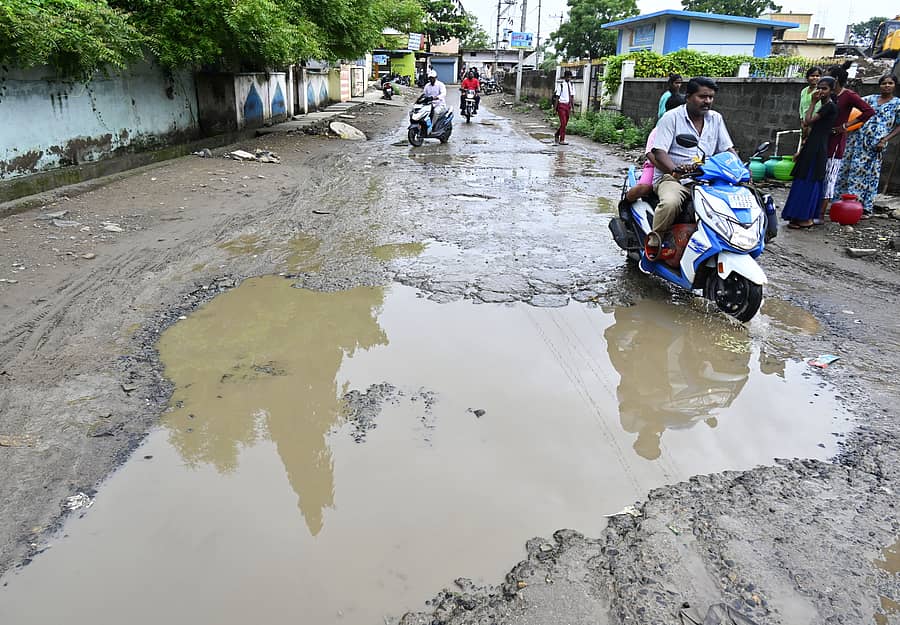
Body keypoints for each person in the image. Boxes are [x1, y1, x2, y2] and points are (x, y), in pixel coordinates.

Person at [646, 77, 735, 260]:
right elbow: (659, 151)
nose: (707, 101)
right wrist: (675, 170)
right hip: (672, 178)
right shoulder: (671, 118)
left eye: (710, 97)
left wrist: (740, 168)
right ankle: (655, 241)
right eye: (702, 97)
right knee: (670, 203)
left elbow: (727, 149)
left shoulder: (716, 119)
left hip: (706, 178)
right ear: (688, 97)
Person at [835, 73, 900, 217]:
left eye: (890, 83)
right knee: (846, 169)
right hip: (856, 138)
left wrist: (885, 140)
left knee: (866, 174)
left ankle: (859, 207)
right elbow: (851, 108)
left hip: (875, 143)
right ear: (879, 85)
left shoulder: (897, 104)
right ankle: (840, 203)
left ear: (895, 86)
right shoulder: (869, 99)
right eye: (884, 83)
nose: (887, 86)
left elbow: (898, 125)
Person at [820, 61, 875, 222]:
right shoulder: (830, 96)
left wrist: (845, 126)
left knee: (829, 178)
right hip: (823, 139)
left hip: (835, 142)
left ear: (835, 79)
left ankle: (821, 214)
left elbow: (868, 111)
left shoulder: (848, 95)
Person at [781, 77, 839, 229]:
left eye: (824, 88)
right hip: (812, 146)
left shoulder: (829, 107)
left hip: (817, 148)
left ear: (832, 90)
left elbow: (807, 121)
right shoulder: (824, 106)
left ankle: (803, 217)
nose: (820, 91)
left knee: (809, 180)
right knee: (803, 180)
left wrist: (812, 103)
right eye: (819, 88)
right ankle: (798, 217)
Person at [625, 94, 685, 203]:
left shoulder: (689, 131)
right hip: (655, 167)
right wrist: (669, 169)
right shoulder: (659, 130)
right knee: (645, 188)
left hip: (681, 171)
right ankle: (625, 203)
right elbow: (649, 153)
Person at [553, 70, 575, 145]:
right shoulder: (561, 85)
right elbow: (557, 97)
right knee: (563, 122)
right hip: (561, 105)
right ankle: (562, 139)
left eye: (570, 77)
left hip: (568, 106)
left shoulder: (571, 85)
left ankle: (557, 134)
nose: (569, 78)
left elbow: (572, 97)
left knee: (565, 124)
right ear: (565, 77)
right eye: (568, 77)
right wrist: (554, 109)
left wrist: (573, 108)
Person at [799, 66, 822, 137]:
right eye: (812, 76)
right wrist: (802, 121)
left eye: (817, 76)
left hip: (814, 125)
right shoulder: (804, 91)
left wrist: (810, 124)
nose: (815, 78)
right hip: (804, 125)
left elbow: (818, 108)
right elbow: (801, 107)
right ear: (807, 77)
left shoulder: (820, 91)